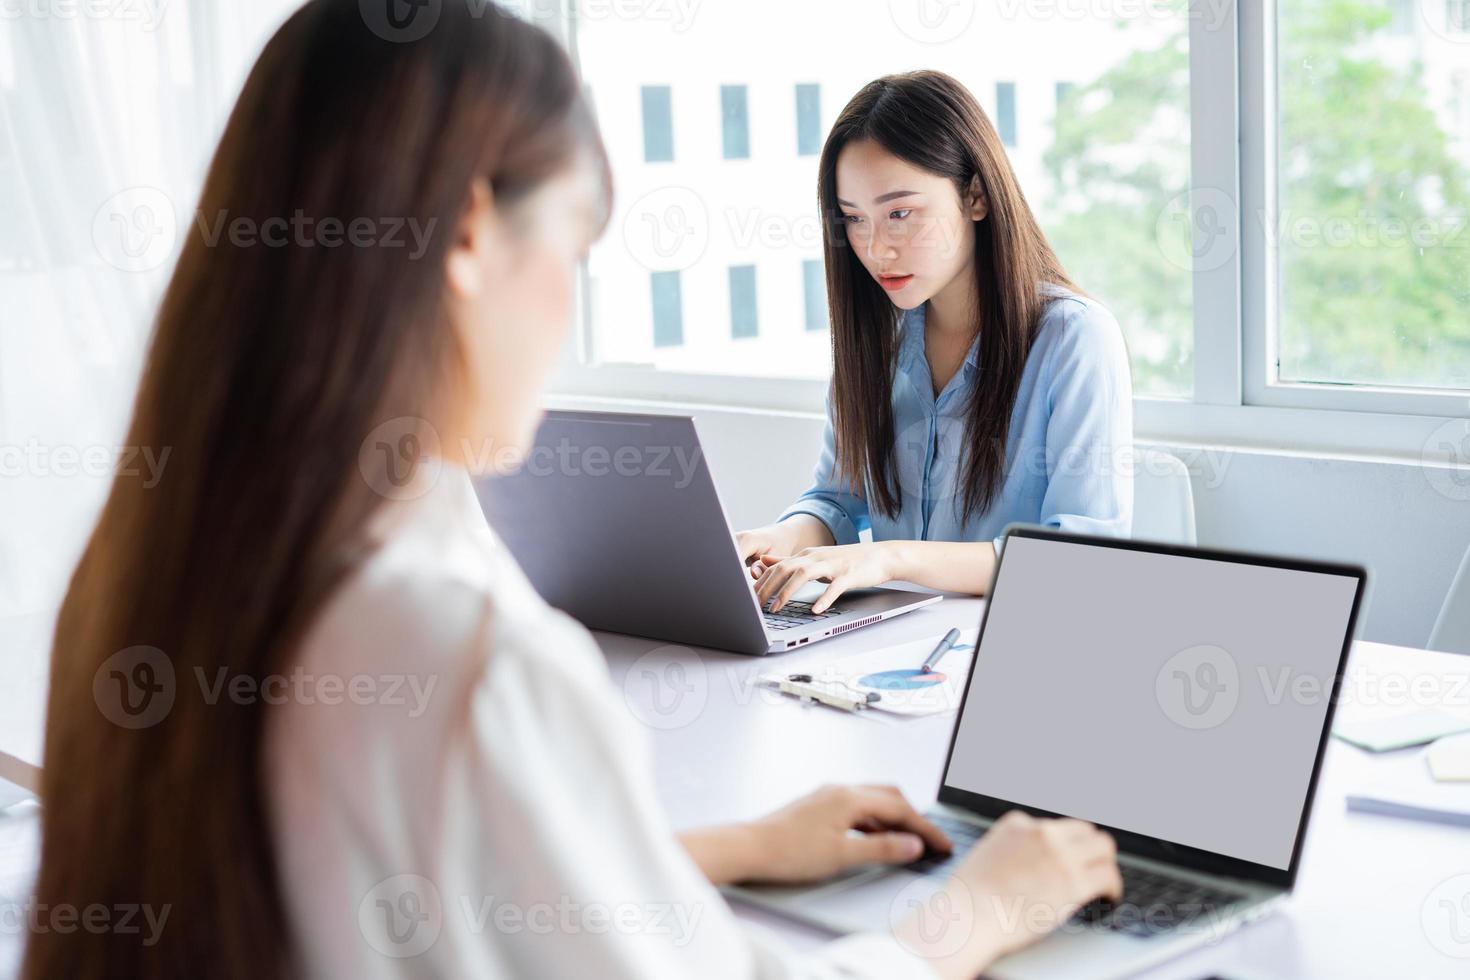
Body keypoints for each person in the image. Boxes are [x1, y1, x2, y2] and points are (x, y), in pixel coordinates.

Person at [23, 5, 1121, 978]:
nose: (563, 315)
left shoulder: (144, 570)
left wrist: (722, 847)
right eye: (574, 245)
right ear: (466, 235)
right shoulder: (464, 652)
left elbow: (410, 902)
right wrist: (972, 916)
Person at [737, 72, 1134, 615]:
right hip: (892, 650)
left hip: (1016, 647)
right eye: (854, 219)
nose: (875, 249)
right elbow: (837, 501)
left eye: (899, 213)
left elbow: (1077, 559)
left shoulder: (1074, 339)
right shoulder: (876, 344)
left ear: (975, 194)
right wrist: (782, 539)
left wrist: (891, 559)